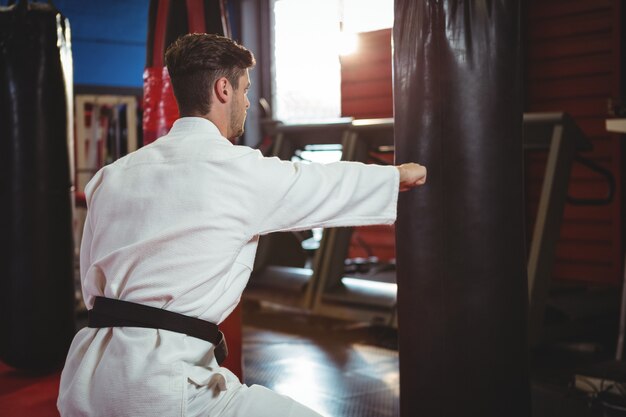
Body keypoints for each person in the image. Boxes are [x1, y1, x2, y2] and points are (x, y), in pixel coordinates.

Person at [57, 33, 427, 417]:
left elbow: (92, 284)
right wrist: (398, 174)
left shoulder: (110, 177)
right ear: (223, 89)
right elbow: (321, 185)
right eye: (245, 89)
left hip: (88, 381)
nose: (248, 101)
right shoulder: (237, 171)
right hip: (164, 389)